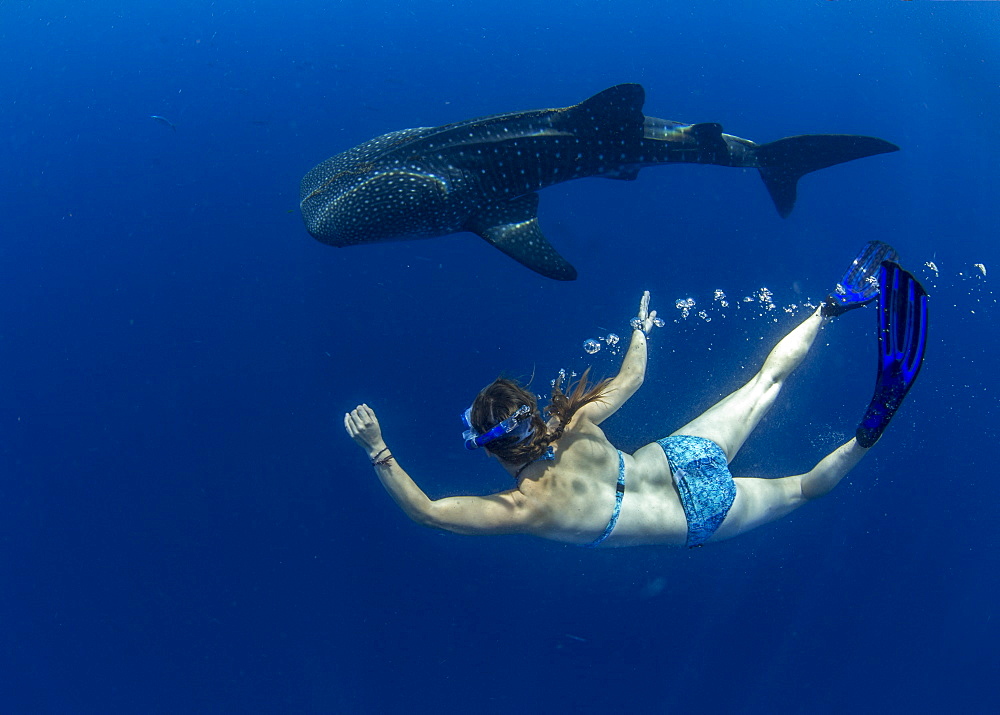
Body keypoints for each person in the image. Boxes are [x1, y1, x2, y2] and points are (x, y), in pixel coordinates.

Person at [345, 242, 928, 548]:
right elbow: (632, 380)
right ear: (526, 410)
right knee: (762, 382)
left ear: (490, 449)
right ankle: (832, 305)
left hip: (694, 514)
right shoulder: (570, 422)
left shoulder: (526, 508)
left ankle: (868, 432)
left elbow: (426, 512)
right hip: (677, 455)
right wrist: (641, 328)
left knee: (802, 489)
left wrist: (378, 447)